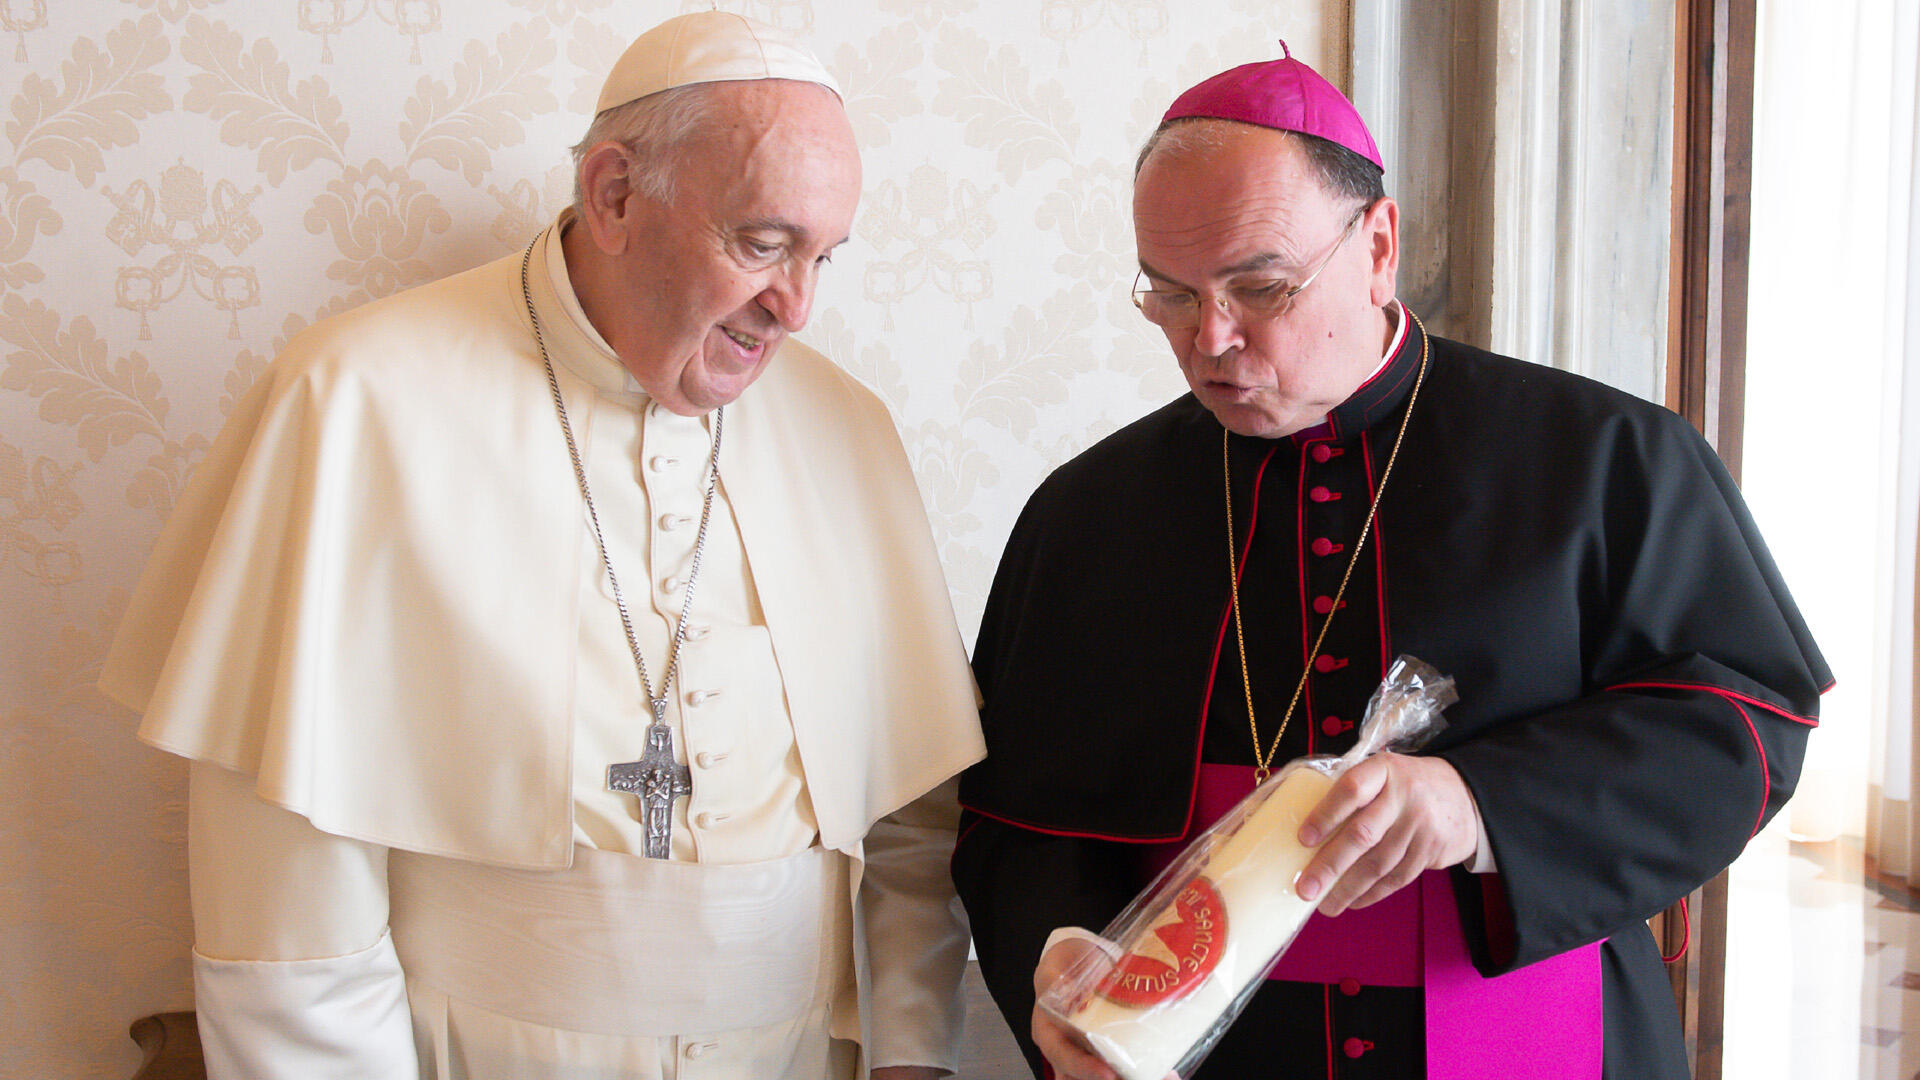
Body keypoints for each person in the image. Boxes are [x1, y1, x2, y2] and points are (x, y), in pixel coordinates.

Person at [98, 12, 984, 1080]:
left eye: (822, 257)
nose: (795, 308)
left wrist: (909, 1059)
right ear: (614, 195)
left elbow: (905, 824)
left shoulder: (846, 428)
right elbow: (285, 895)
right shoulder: (355, 399)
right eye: (762, 245)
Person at [951, 46, 1828, 1080]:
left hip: (1527, 1030)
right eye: (1173, 295)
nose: (1211, 340)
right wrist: (1056, 960)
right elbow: (1013, 822)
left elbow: (1745, 725)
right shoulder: (1088, 512)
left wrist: (1478, 804)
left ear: (1377, 246)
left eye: (1260, 286)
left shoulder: (1603, 457)